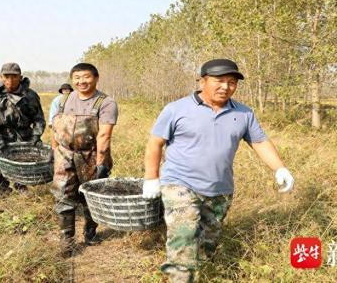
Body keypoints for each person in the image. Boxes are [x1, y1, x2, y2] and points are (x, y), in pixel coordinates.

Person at [142, 59, 294, 282]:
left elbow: (260, 142)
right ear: (202, 81)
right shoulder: (176, 109)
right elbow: (155, 143)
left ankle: (200, 274)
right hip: (179, 183)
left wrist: (280, 168)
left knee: (207, 244)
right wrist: (151, 178)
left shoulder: (243, 113)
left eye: (232, 82)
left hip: (220, 189)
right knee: (184, 238)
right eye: (219, 80)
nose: (226, 87)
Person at [50, 63, 118, 257]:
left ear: (96, 78)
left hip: (91, 155)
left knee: (89, 197)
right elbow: (55, 127)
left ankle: (90, 232)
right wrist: (54, 152)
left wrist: (101, 164)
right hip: (64, 155)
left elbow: (104, 136)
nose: (81, 81)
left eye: (86, 77)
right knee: (63, 195)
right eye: (77, 78)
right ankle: (67, 241)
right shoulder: (64, 100)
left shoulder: (105, 103)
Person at [0, 62, 46, 196]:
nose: (10, 80)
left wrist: (36, 135)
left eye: (14, 76)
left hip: (23, 134)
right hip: (0, 133)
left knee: (21, 162)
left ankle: (20, 186)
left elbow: (39, 118)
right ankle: (1, 188)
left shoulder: (30, 95)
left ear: (20, 77)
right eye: (7, 76)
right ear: (1, 77)